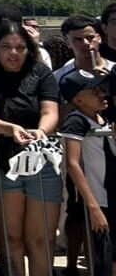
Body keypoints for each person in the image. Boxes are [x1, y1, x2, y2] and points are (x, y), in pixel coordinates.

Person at [0, 21, 60, 276]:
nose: (14, 53)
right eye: (6, 46)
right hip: (3, 161)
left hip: (42, 160)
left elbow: (50, 111)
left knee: (41, 239)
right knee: (11, 237)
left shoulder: (41, 72)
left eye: (20, 47)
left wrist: (41, 131)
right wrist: (11, 129)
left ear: (29, 49)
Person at [59, 70, 115, 276]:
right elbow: (73, 163)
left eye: (101, 89)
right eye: (94, 91)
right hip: (98, 199)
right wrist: (93, 208)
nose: (102, 94)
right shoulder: (76, 120)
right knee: (103, 261)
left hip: (110, 195)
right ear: (78, 99)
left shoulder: (103, 118)